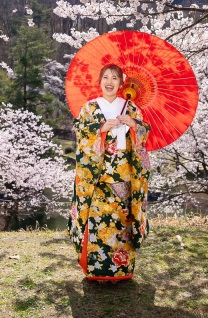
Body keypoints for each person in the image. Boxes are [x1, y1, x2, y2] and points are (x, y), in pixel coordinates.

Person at [68, 64, 151, 281]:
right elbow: (81, 134)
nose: (110, 82)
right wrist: (101, 129)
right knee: (97, 223)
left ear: (122, 83)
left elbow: (144, 135)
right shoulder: (89, 108)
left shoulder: (131, 108)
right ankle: (95, 271)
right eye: (105, 77)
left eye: (115, 78)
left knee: (122, 225)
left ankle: (123, 271)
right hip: (98, 178)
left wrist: (134, 125)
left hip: (124, 178)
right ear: (99, 81)